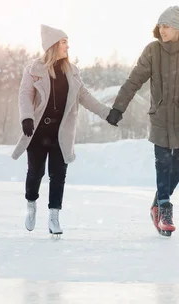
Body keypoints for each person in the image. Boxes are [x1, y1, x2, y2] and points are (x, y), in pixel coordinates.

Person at [106, 6, 179, 235]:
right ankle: (164, 207)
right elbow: (134, 80)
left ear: (178, 28)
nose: (162, 30)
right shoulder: (153, 50)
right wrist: (117, 108)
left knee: (177, 168)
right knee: (162, 164)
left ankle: (157, 205)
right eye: (160, 26)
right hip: (161, 117)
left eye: (167, 26)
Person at [12, 24, 119, 235]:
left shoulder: (72, 72)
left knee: (58, 174)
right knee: (35, 172)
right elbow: (24, 95)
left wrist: (107, 113)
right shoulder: (34, 70)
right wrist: (26, 118)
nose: (67, 46)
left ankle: (54, 217)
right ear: (53, 45)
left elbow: (85, 97)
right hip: (37, 131)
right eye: (63, 42)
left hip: (61, 134)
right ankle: (31, 206)